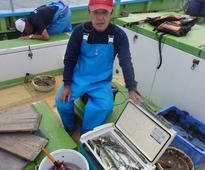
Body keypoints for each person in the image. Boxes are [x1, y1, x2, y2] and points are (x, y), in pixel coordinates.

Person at [55, 0, 141, 134]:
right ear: (89, 12)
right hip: (79, 78)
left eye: (105, 12)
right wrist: (66, 84)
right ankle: (69, 127)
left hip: (101, 82)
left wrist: (131, 88)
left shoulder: (119, 35)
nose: (100, 17)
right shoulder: (79, 31)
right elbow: (69, 59)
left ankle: (86, 133)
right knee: (61, 102)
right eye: (96, 12)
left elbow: (126, 62)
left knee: (104, 107)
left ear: (111, 12)